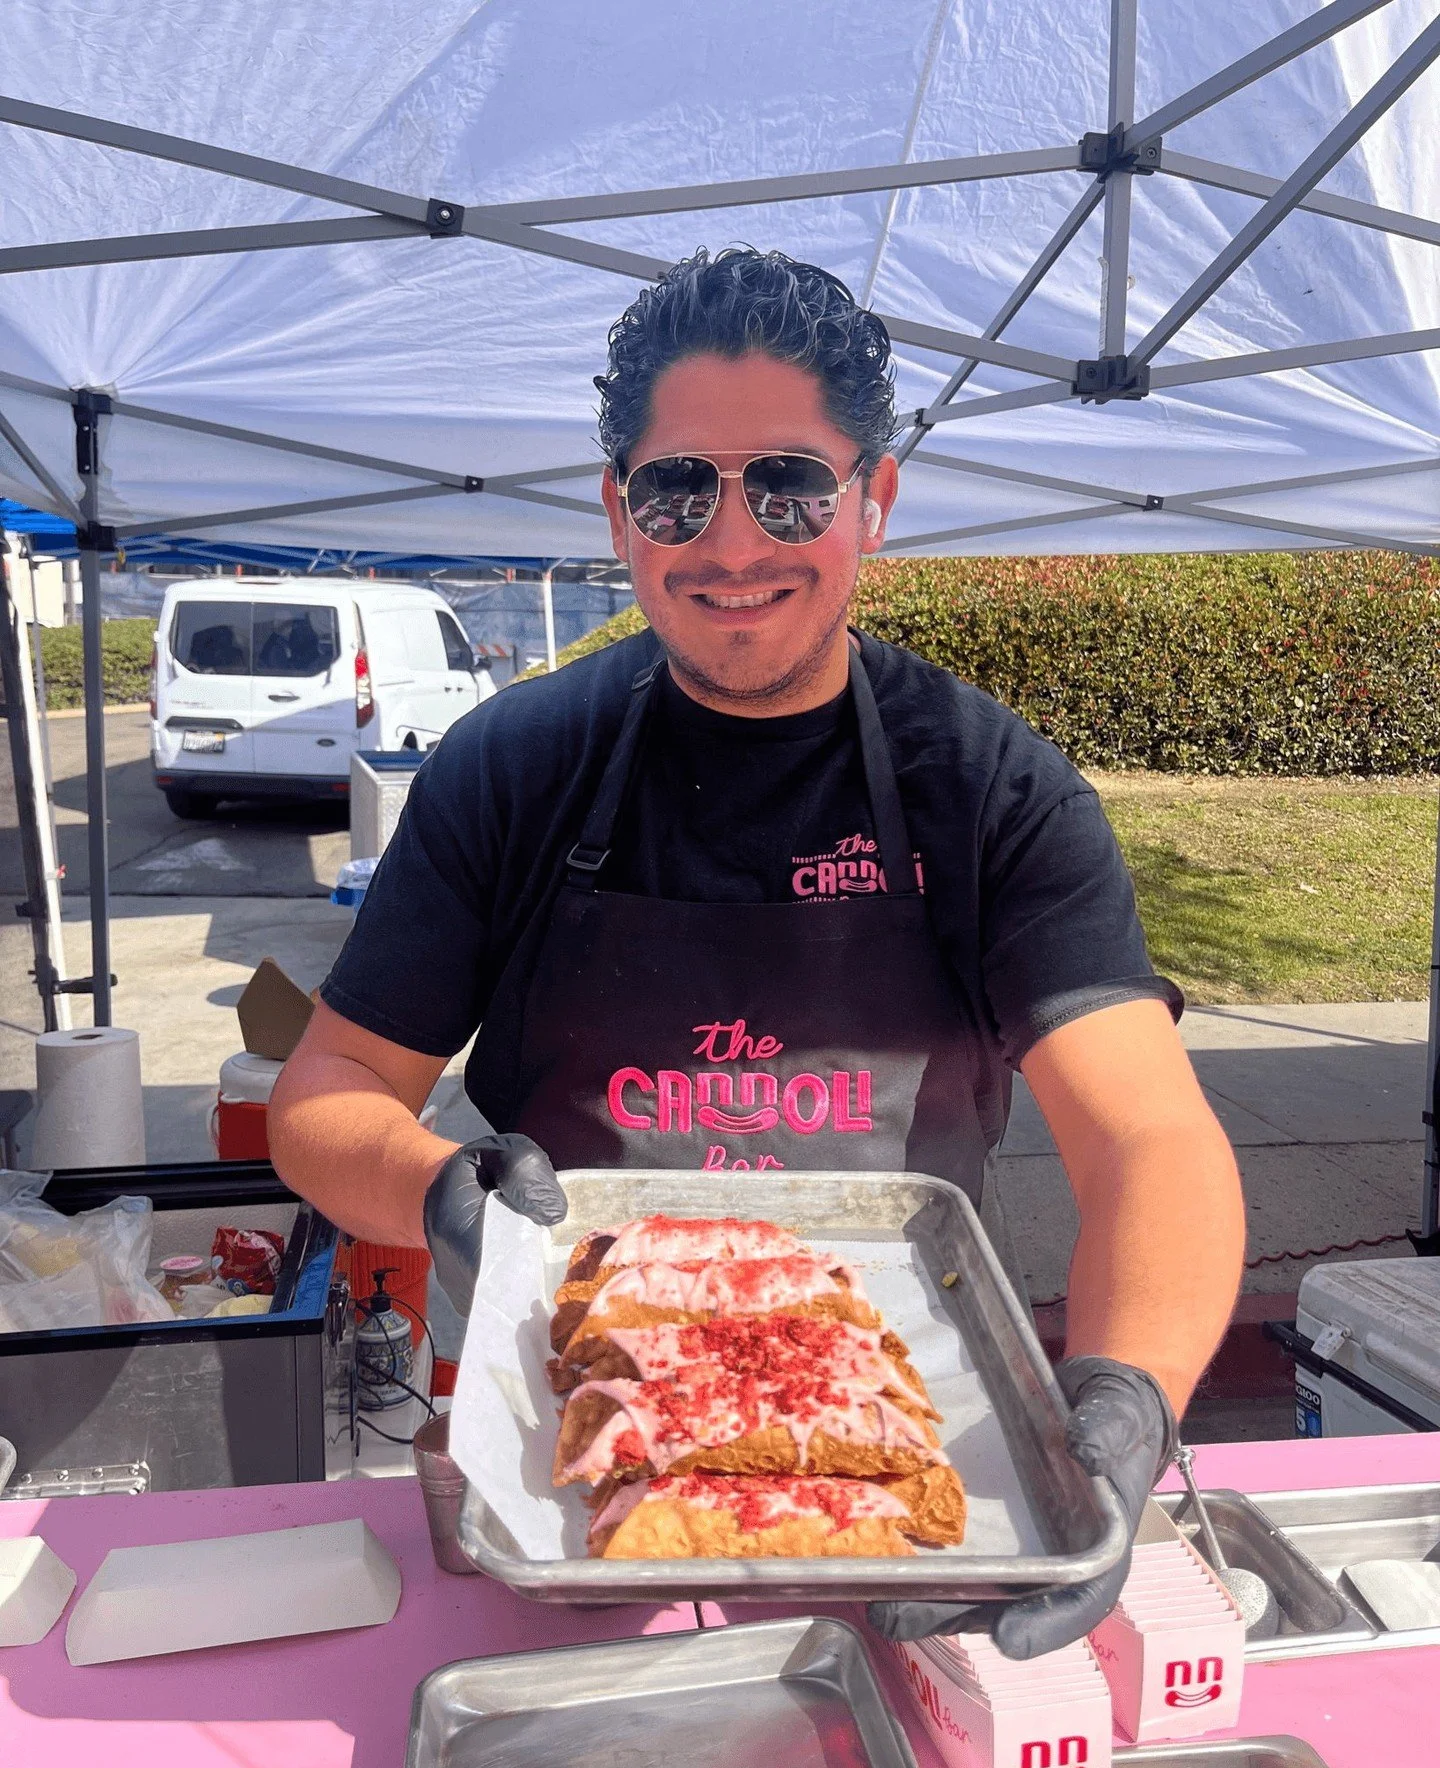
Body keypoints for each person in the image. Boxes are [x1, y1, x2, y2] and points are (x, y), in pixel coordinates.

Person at [268, 247, 1245, 1655]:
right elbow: (326, 1093)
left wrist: (1124, 1408)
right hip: (572, 1441)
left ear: (877, 501)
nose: (733, 545)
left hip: (890, 1420)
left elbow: (1151, 1136)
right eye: (679, 489)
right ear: (620, 513)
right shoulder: (512, 770)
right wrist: (439, 1192)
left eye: (790, 484)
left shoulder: (987, 787)